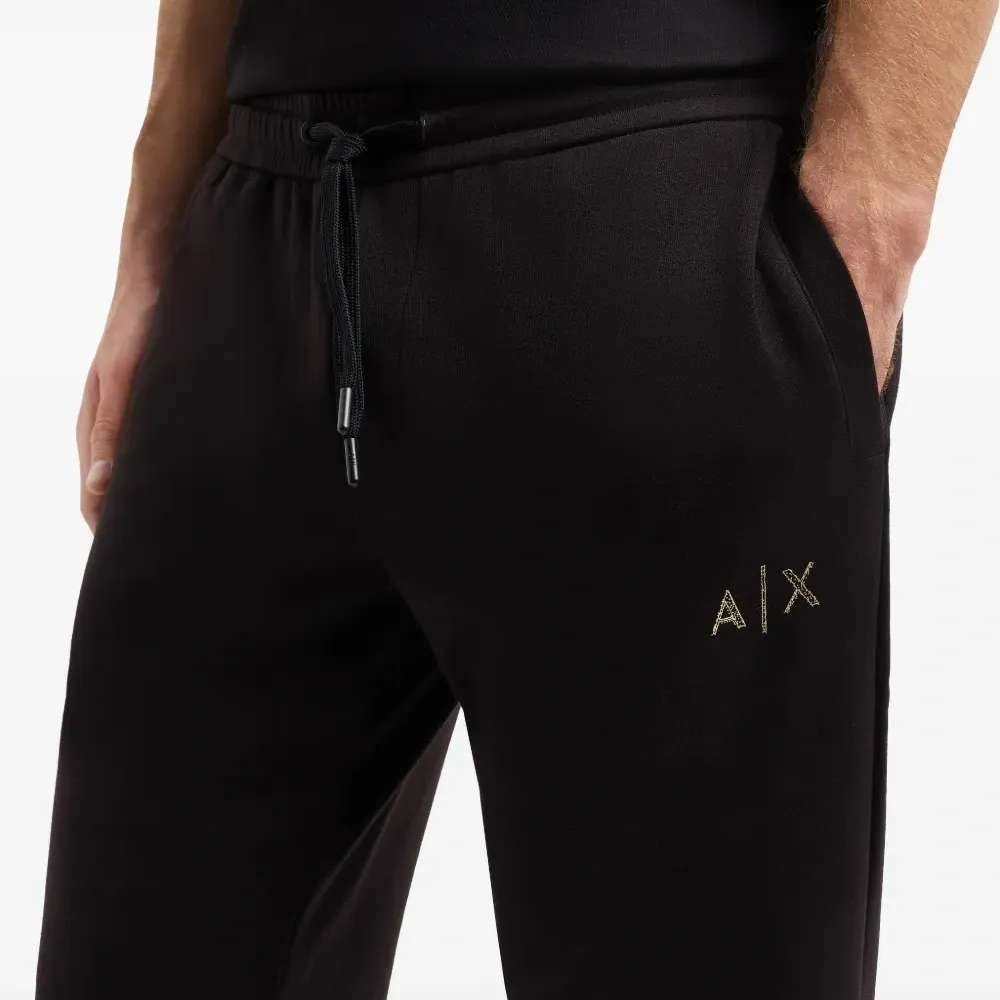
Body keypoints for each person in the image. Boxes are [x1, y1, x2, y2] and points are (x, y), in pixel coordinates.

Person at [37, 0, 996, 997]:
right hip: (257, 229)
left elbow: (874, 198)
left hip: (652, 217)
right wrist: (155, 230)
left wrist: (870, 215)